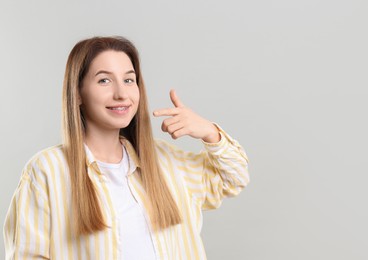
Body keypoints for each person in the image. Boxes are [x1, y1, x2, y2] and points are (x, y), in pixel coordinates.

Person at [3, 36, 249, 260]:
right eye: (104, 80)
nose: (121, 93)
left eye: (129, 80)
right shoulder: (47, 170)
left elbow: (234, 178)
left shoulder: (166, 162)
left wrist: (210, 133)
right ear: (78, 93)